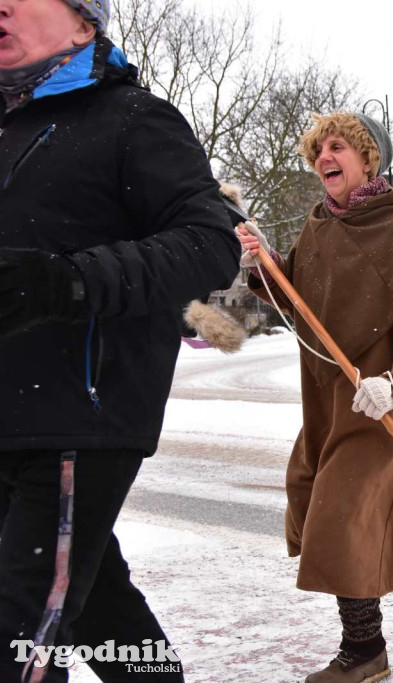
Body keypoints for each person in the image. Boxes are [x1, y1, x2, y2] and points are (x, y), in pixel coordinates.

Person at [0, 3, 240, 681]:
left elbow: (209, 243)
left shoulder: (133, 119)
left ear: (84, 24)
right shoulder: (8, 128)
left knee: (19, 638)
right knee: (102, 609)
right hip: (7, 416)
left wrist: (67, 282)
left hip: (78, 415)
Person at [239, 112, 393, 683]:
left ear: (367, 158)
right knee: (309, 491)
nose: (324, 158)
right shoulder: (319, 227)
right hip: (335, 400)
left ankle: (365, 653)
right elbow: (297, 303)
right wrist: (263, 265)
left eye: (336, 146)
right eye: (318, 150)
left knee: (342, 516)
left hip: (386, 403)